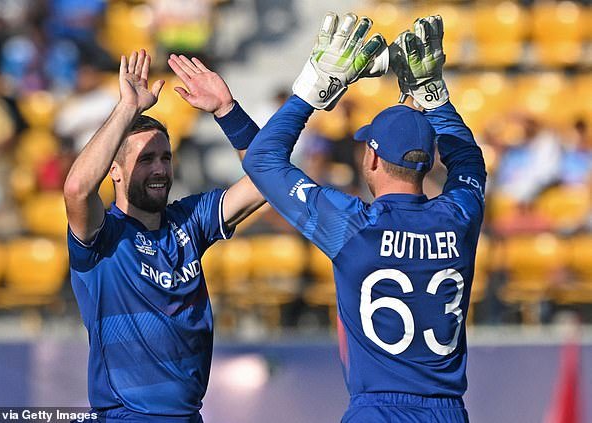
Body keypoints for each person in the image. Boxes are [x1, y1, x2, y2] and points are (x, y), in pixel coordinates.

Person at [241, 14, 485, 422]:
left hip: (377, 411)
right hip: (448, 413)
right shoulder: (459, 218)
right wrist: (434, 96)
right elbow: (469, 162)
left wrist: (312, 88)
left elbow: (263, 159)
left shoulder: (356, 227)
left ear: (370, 157)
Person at [64, 49, 264, 421]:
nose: (159, 170)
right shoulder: (101, 237)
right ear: (115, 171)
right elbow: (76, 190)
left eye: (165, 158)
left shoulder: (189, 221)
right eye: (145, 160)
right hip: (126, 415)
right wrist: (127, 110)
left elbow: (267, 181)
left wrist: (227, 110)